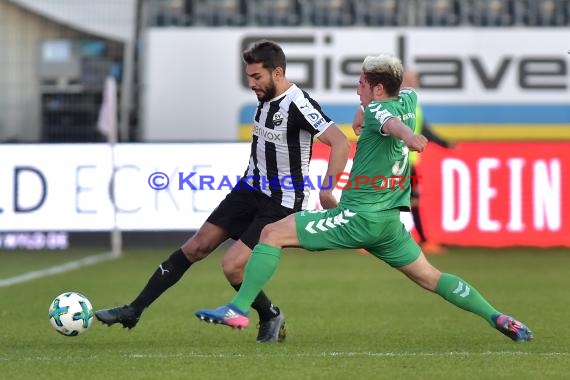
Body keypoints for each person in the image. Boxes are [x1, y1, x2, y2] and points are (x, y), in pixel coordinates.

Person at [195, 53, 533, 343]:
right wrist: (367, 109)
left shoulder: (378, 112)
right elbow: (404, 92)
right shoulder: (408, 100)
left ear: (378, 89)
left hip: (359, 218)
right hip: (389, 224)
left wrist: (409, 134)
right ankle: (499, 318)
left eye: (361, 85)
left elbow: (388, 123)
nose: (358, 90)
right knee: (431, 277)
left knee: (271, 233)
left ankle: (238, 310)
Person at [95, 40, 350, 343]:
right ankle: (133, 310)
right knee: (195, 247)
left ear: (278, 73)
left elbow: (341, 142)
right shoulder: (266, 96)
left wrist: (326, 190)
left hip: (280, 203)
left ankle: (269, 314)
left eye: (257, 77)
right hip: (248, 190)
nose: (251, 83)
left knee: (231, 267)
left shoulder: (298, 104)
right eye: (249, 77)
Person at [352, 70, 454, 254]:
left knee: (407, 200)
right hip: (394, 161)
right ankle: (371, 240)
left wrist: (444, 143)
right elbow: (384, 119)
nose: (415, 81)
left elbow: (423, 129)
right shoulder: (394, 103)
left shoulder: (410, 101)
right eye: (411, 78)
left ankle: (418, 239)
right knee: (387, 199)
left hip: (409, 161)